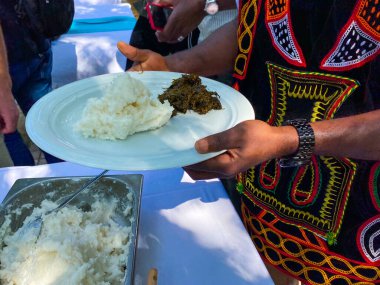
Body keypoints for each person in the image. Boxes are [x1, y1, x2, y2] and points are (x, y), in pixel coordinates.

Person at [117, 0, 380, 284]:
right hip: (263, 188)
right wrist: (173, 65)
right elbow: (254, 27)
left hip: (356, 219)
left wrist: (289, 139)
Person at [0, 1, 62, 165]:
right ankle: (71, 181)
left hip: (25, 47)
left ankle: (24, 186)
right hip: (34, 41)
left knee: (11, 131)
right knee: (47, 125)